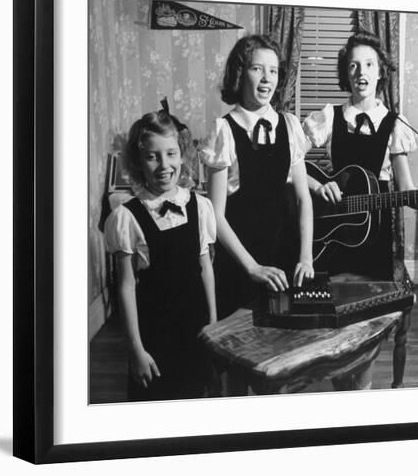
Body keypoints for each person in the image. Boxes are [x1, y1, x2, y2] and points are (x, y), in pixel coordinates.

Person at [303, 31, 418, 280]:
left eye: (369, 64)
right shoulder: (330, 117)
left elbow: (407, 188)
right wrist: (316, 186)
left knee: (374, 306)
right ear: (346, 73)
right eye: (353, 65)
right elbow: (289, 160)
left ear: (380, 72)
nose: (360, 72)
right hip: (332, 233)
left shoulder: (395, 124)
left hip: (375, 234)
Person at [104, 110, 217, 401]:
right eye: (152, 156)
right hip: (155, 337)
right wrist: (136, 350)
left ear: (182, 156)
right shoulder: (127, 217)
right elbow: (126, 287)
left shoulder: (200, 206)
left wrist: (214, 324)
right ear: (139, 162)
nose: (164, 165)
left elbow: (205, 267)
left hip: (195, 330)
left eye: (171, 154)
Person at [201, 34, 313, 319]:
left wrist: (305, 256)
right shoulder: (224, 130)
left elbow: (303, 199)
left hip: (284, 259)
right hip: (240, 262)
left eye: (273, 70)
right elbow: (216, 214)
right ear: (240, 73)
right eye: (257, 68)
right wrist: (252, 267)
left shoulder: (289, 126)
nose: (266, 79)